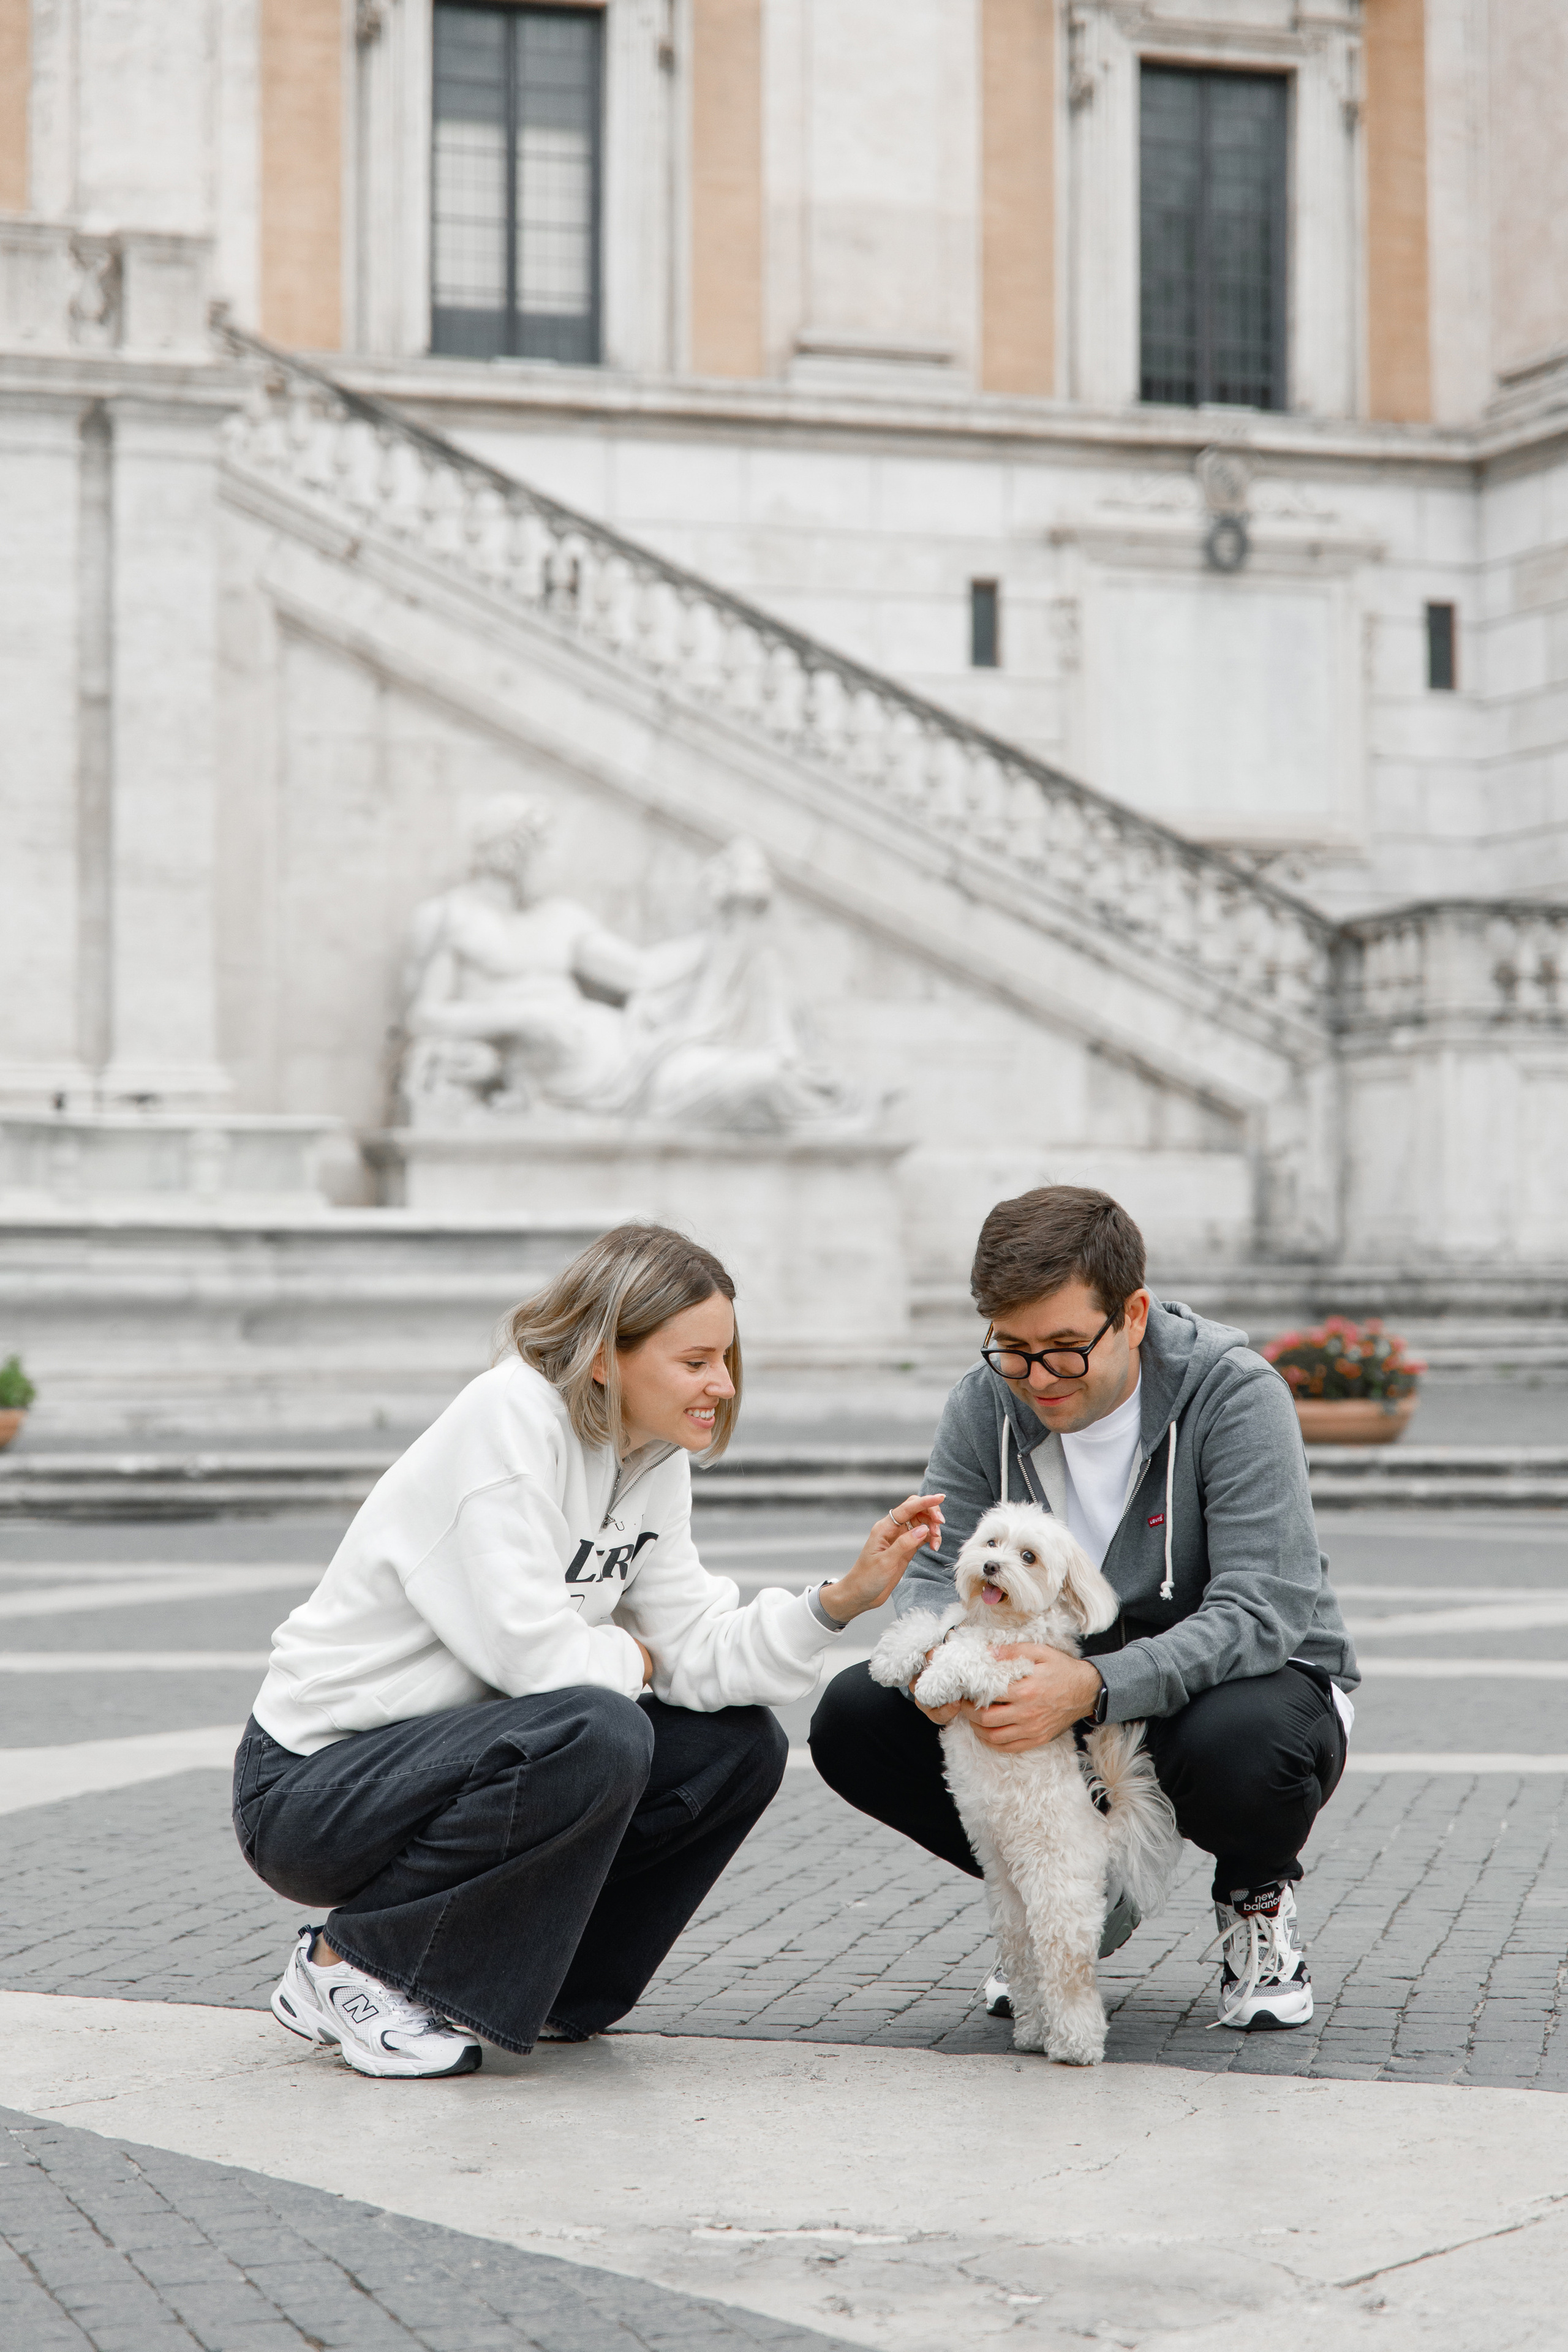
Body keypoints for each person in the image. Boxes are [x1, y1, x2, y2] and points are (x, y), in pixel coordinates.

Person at [232, 1223, 940, 2078]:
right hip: (313, 1786)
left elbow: (696, 1647)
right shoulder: (506, 1419)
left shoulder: (649, 1457)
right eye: (695, 1361)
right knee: (600, 1731)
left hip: (446, 1763)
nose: (721, 1383)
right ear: (605, 1357)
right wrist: (635, 1662)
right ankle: (350, 1966)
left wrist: (839, 1602)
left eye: (726, 1358)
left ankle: (542, 1984)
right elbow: (532, 1658)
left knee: (735, 1749)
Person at [810, 1185, 1359, 2034]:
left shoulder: (1234, 1394)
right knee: (856, 1717)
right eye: (1013, 1350)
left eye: (1066, 1349)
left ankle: (1256, 1900)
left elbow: (1264, 1609)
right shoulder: (985, 1400)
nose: (1037, 1379)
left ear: (1133, 1315)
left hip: (1232, 1688)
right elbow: (933, 1569)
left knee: (1246, 1749)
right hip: (1055, 1688)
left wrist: (1093, 1685)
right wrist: (935, 1664)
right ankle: (1062, 1895)